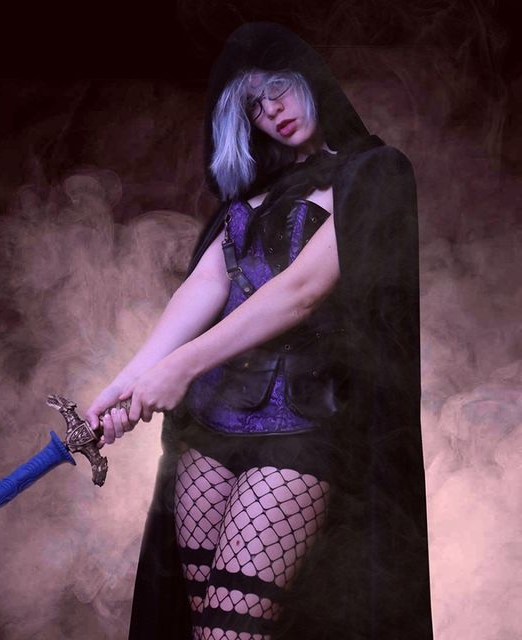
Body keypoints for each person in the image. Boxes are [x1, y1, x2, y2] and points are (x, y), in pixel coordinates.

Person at [87, 22, 433, 640]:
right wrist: (126, 383)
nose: (270, 110)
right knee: (204, 629)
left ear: (310, 79)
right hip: (210, 427)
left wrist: (180, 367)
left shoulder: (376, 173)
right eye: (252, 104)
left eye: (278, 87)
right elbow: (203, 288)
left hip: (303, 427)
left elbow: (302, 291)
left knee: (233, 632)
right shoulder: (252, 194)